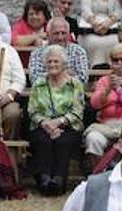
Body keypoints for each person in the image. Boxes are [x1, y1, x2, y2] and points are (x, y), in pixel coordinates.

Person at [26, 44, 86, 194]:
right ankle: (45, 180)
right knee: (42, 140)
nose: (52, 65)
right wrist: (45, 123)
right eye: (49, 62)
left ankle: (59, 180)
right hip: (42, 125)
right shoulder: (38, 84)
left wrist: (59, 122)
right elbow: (32, 110)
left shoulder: (75, 84)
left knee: (63, 141)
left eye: (56, 61)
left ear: (64, 64)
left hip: (69, 126)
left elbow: (78, 111)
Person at [27, 17, 89, 84]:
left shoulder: (78, 51)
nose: (60, 37)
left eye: (63, 33)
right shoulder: (37, 53)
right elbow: (35, 79)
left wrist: (51, 75)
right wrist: (67, 74)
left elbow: (82, 79)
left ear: (68, 34)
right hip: (45, 92)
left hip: (72, 92)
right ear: (47, 35)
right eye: (56, 33)